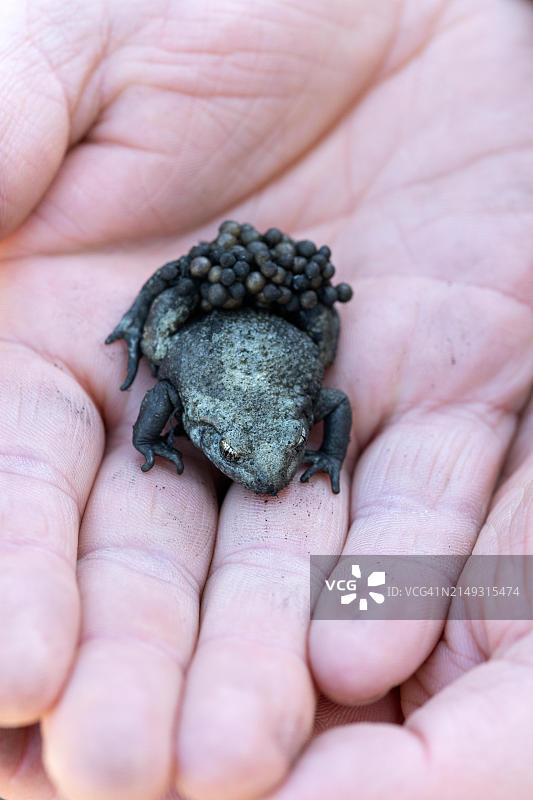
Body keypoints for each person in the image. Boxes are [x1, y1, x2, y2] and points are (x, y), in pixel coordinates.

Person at [1, 0, 533, 798]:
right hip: (211, 350)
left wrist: (317, 451)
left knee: (385, 630)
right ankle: (137, 316)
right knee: (158, 346)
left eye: (280, 457)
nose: (268, 481)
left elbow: (334, 403)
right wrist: (147, 441)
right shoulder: (193, 411)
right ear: (210, 435)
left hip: (277, 357)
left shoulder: (298, 411)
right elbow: (168, 402)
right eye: (250, 463)